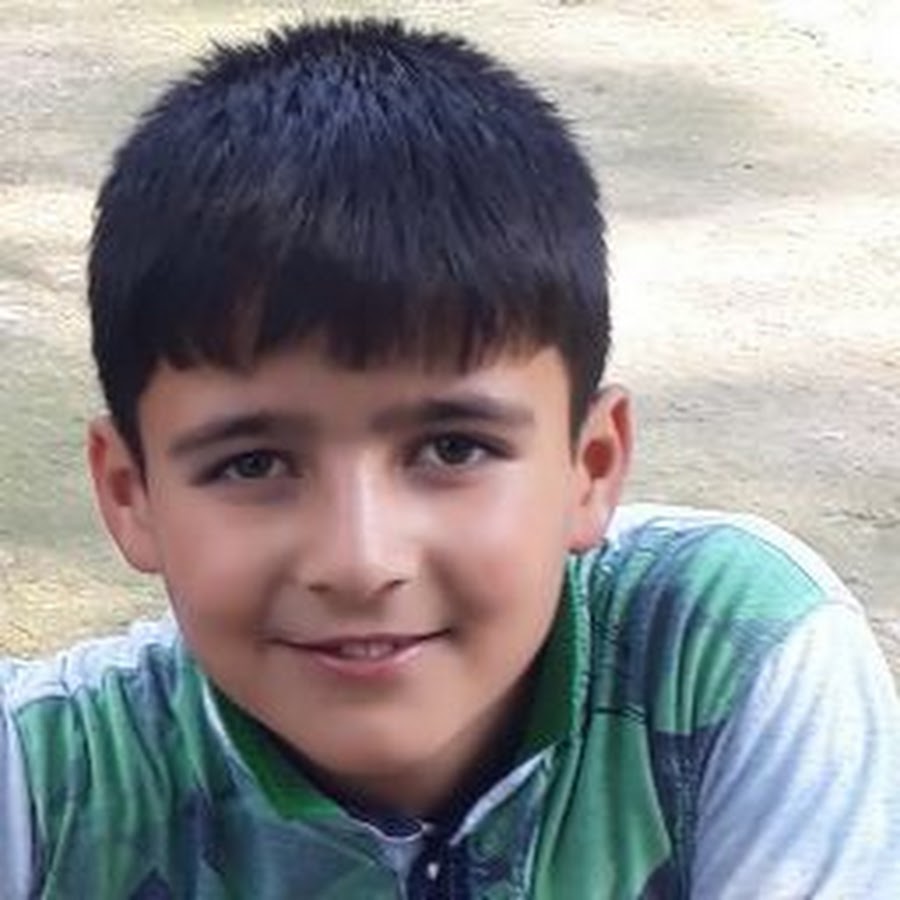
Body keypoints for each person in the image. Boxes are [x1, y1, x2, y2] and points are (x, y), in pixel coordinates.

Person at [1, 18, 898, 899]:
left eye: (453, 448)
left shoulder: (726, 652)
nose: (360, 561)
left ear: (590, 466)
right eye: (254, 464)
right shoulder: (46, 787)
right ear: (130, 492)